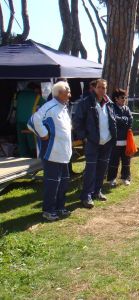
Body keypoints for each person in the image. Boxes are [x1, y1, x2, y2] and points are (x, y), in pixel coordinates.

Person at [27, 81, 72, 221]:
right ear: (59, 93)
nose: (70, 94)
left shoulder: (63, 108)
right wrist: (44, 134)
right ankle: (48, 210)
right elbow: (33, 121)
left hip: (64, 153)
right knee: (52, 183)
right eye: (68, 91)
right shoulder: (49, 106)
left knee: (63, 181)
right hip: (52, 153)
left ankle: (60, 207)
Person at [73, 79, 117, 208]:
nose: (102, 90)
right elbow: (77, 121)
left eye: (104, 87)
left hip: (107, 141)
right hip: (92, 142)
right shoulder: (86, 103)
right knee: (91, 169)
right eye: (99, 87)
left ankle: (97, 191)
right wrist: (84, 137)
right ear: (94, 88)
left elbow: (111, 120)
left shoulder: (109, 103)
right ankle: (86, 195)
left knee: (102, 168)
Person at [107, 89, 133, 187]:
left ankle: (125, 177)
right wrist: (124, 120)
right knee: (114, 161)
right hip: (115, 140)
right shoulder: (112, 107)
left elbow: (131, 120)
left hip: (126, 139)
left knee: (126, 160)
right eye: (122, 98)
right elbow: (114, 119)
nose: (124, 100)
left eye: (125, 98)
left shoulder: (126, 108)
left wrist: (123, 120)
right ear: (116, 99)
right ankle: (111, 179)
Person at [16, 82, 46, 157]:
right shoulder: (37, 96)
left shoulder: (19, 94)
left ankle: (23, 156)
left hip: (18, 120)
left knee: (21, 140)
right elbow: (45, 105)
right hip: (30, 120)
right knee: (32, 140)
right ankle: (33, 155)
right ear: (35, 89)